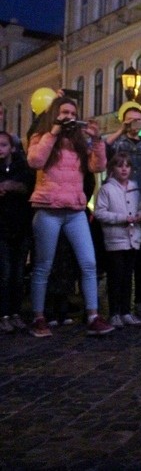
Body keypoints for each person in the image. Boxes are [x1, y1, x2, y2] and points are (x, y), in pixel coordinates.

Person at [26, 96, 114, 338]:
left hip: (75, 210)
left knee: (89, 263)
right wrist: (53, 132)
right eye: (64, 112)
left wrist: (97, 140)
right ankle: (38, 317)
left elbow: (98, 167)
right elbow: (35, 160)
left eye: (72, 113)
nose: (69, 117)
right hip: (48, 209)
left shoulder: (79, 142)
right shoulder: (41, 136)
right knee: (43, 265)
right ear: (55, 114)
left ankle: (93, 315)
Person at [105, 102, 141, 317]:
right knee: (124, 255)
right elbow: (104, 150)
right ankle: (120, 304)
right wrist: (121, 129)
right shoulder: (118, 142)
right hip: (122, 204)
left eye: (138, 120)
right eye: (131, 120)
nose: (135, 124)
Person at [94, 152, 141, 328]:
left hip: (132, 239)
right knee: (115, 277)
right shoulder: (107, 189)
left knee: (128, 277)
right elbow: (100, 213)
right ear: (113, 168)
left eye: (127, 165)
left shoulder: (134, 188)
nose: (124, 169)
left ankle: (126, 311)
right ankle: (114, 312)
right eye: (120, 165)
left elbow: (140, 208)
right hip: (115, 240)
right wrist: (122, 218)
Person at [0, 131, 34, 333]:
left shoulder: (22, 167)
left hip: (21, 227)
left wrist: (11, 185)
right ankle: (4, 314)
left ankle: (15, 312)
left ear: (12, 148)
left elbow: (27, 187)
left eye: (3, 145)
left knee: (18, 273)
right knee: (4, 273)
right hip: (2, 228)